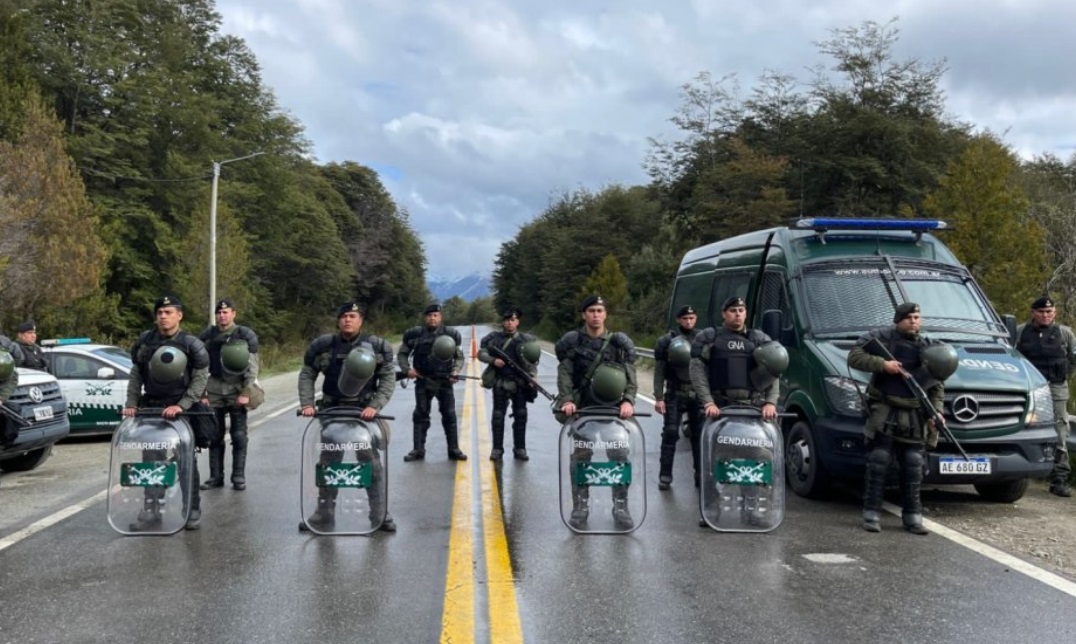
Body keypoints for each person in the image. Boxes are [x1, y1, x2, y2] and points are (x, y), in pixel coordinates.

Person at [847, 302, 948, 535]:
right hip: (885, 408)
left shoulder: (929, 347)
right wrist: (883, 364)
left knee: (913, 464)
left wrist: (937, 411)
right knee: (878, 460)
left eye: (917, 317)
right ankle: (871, 513)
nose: (914, 321)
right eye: (909, 317)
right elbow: (855, 356)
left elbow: (937, 384)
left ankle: (913, 516)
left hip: (915, 412)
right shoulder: (881, 338)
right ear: (898, 320)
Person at [298, 302, 397, 533]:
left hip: (364, 414)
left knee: (371, 463)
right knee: (329, 463)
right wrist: (307, 403)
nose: (347, 320)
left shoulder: (377, 347)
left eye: (352, 316)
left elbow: (388, 378)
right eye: (343, 316)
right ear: (338, 320)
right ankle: (324, 514)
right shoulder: (323, 347)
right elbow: (307, 373)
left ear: (360, 319)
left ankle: (379, 513)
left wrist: (375, 405)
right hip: (332, 413)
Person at [690, 297, 781, 526]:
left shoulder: (759, 340)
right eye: (733, 310)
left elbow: (774, 371)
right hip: (719, 412)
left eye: (741, 310)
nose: (737, 314)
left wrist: (770, 402)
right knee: (711, 462)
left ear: (746, 313)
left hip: (752, 412)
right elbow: (697, 372)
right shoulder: (710, 339)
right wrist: (708, 402)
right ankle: (711, 509)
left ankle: (753, 511)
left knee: (760, 460)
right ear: (724, 313)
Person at [123, 295, 210, 531]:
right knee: (151, 463)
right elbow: (136, 375)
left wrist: (182, 405)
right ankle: (151, 511)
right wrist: (131, 403)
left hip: (181, 411)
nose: (163, 316)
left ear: (179, 315)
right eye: (160, 312)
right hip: (151, 409)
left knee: (185, 461)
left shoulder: (191, 344)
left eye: (169, 312)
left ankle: (191, 509)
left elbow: (200, 379)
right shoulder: (145, 342)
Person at [555, 294, 639, 529]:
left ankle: (621, 507)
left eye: (600, 311)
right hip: (583, 413)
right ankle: (580, 507)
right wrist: (567, 400)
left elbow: (630, 376)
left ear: (605, 314)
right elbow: (564, 374)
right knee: (580, 461)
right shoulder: (574, 342)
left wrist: (629, 401)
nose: (596, 315)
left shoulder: (617, 344)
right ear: (584, 314)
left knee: (620, 459)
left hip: (613, 414)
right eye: (591, 311)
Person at [1015, 296, 1076, 497]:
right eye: (1041, 312)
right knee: (1023, 428)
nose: (1046, 315)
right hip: (1029, 389)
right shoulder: (1021, 332)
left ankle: (1059, 478)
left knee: (1060, 432)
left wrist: (1064, 375)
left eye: (1049, 312)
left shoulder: (1065, 333)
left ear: (1055, 313)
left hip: (1057, 387)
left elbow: (1073, 359)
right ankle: (1017, 472)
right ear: (1033, 313)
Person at [198, 299, 260, 491]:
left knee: (239, 435)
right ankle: (216, 476)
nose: (222, 316)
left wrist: (246, 392)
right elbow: (198, 366)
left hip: (237, 389)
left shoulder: (245, 334)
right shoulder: (207, 335)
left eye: (225, 312)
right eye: (219, 313)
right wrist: (202, 393)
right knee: (214, 435)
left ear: (234, 313)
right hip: (214, 388)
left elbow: (253, 367)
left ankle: (238, 476)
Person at [397, 302, 467, 462]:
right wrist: (407, 370)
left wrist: (455, 371)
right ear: (425, 317)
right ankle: (418, 449)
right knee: (420, 414)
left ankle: (454, 449)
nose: (432, 318)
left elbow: (459, 357)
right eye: (429, 315)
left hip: (445, 381)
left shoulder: (451, 334)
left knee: (449, 415)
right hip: (423, 380)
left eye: (435, 315)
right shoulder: (414, 335)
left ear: (440, 317)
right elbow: (402, 354)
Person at [478, 308, 539, 461]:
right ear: (503, 322)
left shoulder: (526, 340)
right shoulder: (494, 339)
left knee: (521, 415)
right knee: (498, 416)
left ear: (517, 322)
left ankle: (520, 449)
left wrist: (533, 378)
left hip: (520, 384)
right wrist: (493, 361)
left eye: (513, 320)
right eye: (507, 320)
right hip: (500, 382)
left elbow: (533, 361)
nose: (510, 323)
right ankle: (497, 449)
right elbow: (481, 353)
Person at [653, 305, 702, 490]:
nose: (688, 321)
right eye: (685, 318)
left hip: (697, 393)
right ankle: (665, 474)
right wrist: (658, 397)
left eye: (691, 318)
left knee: (699, 435)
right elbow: (659, 371)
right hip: (674, 392)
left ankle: (700, 475)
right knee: (671, 432)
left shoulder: (702, 339)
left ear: (695, 318)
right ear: (678, 320)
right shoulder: (666, 341)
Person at [0, 350, 18, 447]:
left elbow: (12, 380)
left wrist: (1, 398)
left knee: (14, 410)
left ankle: (7, 441)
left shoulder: (6, 363)